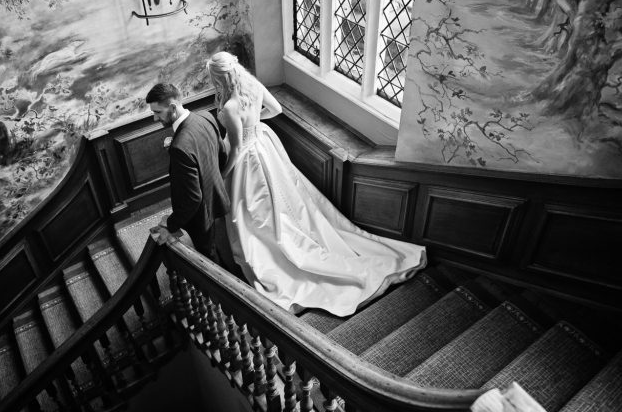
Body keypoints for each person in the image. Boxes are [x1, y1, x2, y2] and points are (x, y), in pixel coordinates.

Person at [207, 51, 427, 317]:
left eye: (213, 79)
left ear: (220, 77)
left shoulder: (230, 107)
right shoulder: (253, 85)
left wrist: (221, 174)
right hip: (264, 145)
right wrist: (254, 125)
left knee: (253, 212)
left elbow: (237, 148)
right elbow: (275, 110)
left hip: (247, 157)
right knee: (279, 201)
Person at [145, 83, 233, 267]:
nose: (154, 118)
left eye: (158, 112)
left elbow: (192, 198)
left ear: (172, 107)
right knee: (224, 245)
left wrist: (170, 223)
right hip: (217, 197)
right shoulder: (205, 117)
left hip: (201, 216)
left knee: (209, 258)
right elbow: (222, 155)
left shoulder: (180, 148)